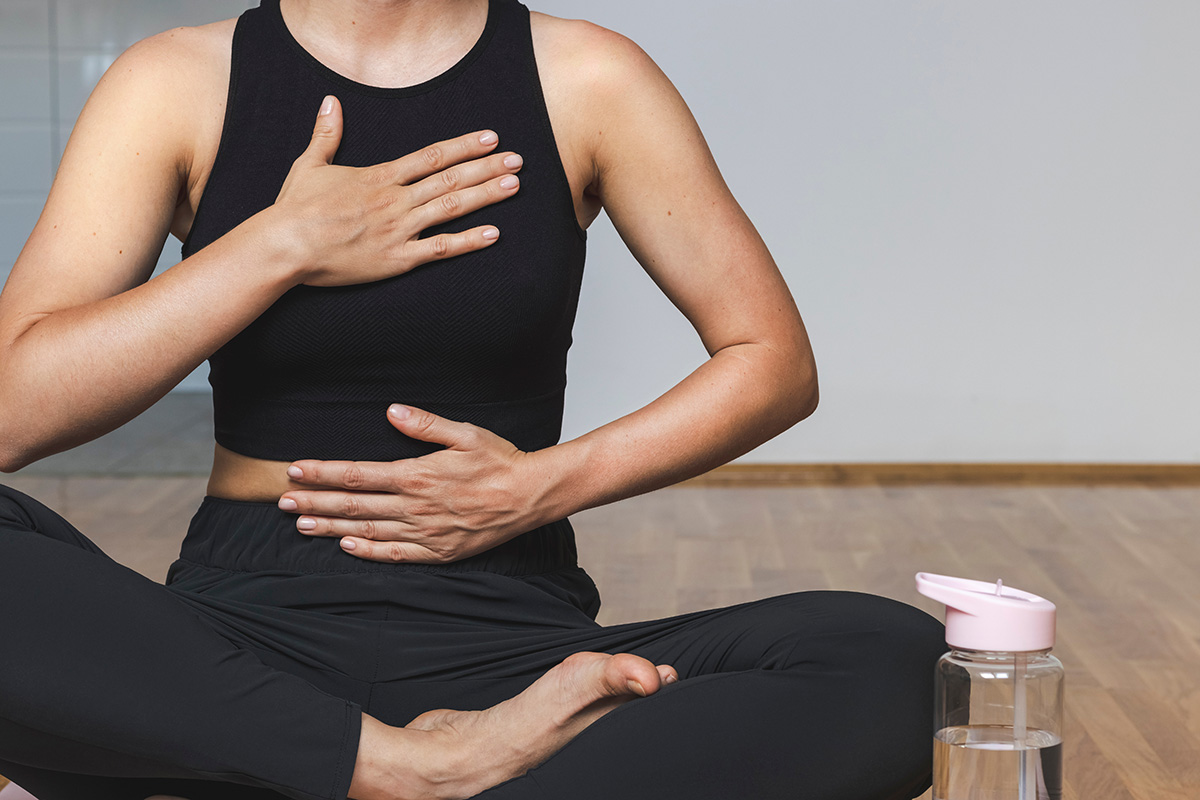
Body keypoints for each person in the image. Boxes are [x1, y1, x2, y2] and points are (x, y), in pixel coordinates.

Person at [0, 0, 946, 798]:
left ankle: (326, 775)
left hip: (509, 650)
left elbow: (772, 360)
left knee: (900, 661)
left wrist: (544, 486)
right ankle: (407, 771)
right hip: (234, 648)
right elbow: (12, 414)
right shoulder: (172, 82)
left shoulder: (589, 77)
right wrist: (277, 246)